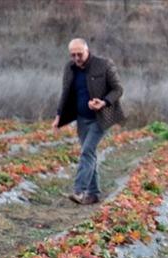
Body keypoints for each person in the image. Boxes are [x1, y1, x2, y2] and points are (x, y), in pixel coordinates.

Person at [52, 38, 125, 205]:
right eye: (73, 55)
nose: (76, 58)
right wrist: (58, 116)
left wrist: (104, 102)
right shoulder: (69, 68)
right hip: (81, 119)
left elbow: (118, 89)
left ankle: (79, 190)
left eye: (80, 54)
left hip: (101, 118)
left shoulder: (104, 64)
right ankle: (93, 194)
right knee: (89, 154)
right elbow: (65, 93)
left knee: (87, 152)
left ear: (87, 50)